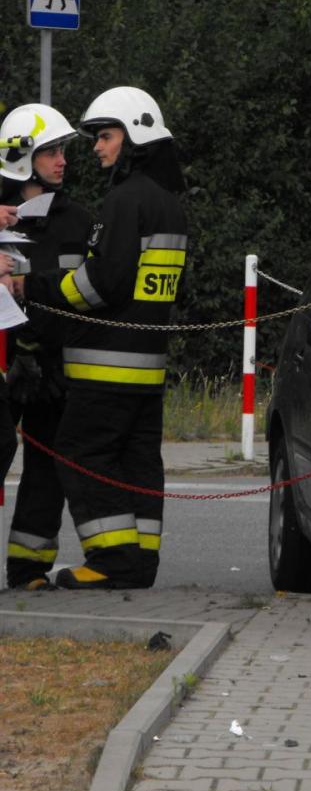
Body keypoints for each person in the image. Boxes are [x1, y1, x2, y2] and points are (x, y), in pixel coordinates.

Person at [9, 87, 188, 589]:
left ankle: (111, 562)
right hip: (147, 364)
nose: (95, 148)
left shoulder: (122, 201)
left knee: (79, 453)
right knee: (138, 462)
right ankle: (140, 561)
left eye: (104, 137)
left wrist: (32, 287)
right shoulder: (169, 206)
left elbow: (101, 283)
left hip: (103, 364)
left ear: (133, 138)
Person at [0, 103, 95, 591]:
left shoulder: (78, 222)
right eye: (51, 151)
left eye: (62, 151)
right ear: (21, 158)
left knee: (45, 468)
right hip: (5, 364)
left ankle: (26, 570)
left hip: (52, 368)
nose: (62, 161)